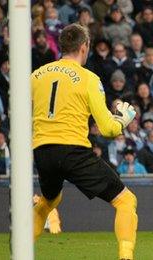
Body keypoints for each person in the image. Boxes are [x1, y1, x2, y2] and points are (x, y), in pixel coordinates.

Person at [30, 24, 138, 259]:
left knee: (50, 199)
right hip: (73, 150)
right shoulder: (88, 78)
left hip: (42, 150)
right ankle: (126, 257)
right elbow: (108, 128)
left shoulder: (36, 75)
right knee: (126, 200)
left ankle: (19, 250)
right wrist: (124, 119)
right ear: (84, 47)